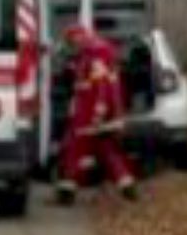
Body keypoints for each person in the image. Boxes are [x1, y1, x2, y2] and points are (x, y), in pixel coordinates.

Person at [56, 24, 137, 205]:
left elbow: (100, 83)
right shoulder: (94, 53)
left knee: (74, 148)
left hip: (90, 111)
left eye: (72, 40)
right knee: (107, 150)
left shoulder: (95, 54)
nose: (73, 44)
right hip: (101, 110)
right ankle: (127, 186)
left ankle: (66, 191)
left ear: (79, 36)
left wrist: (99, 109)